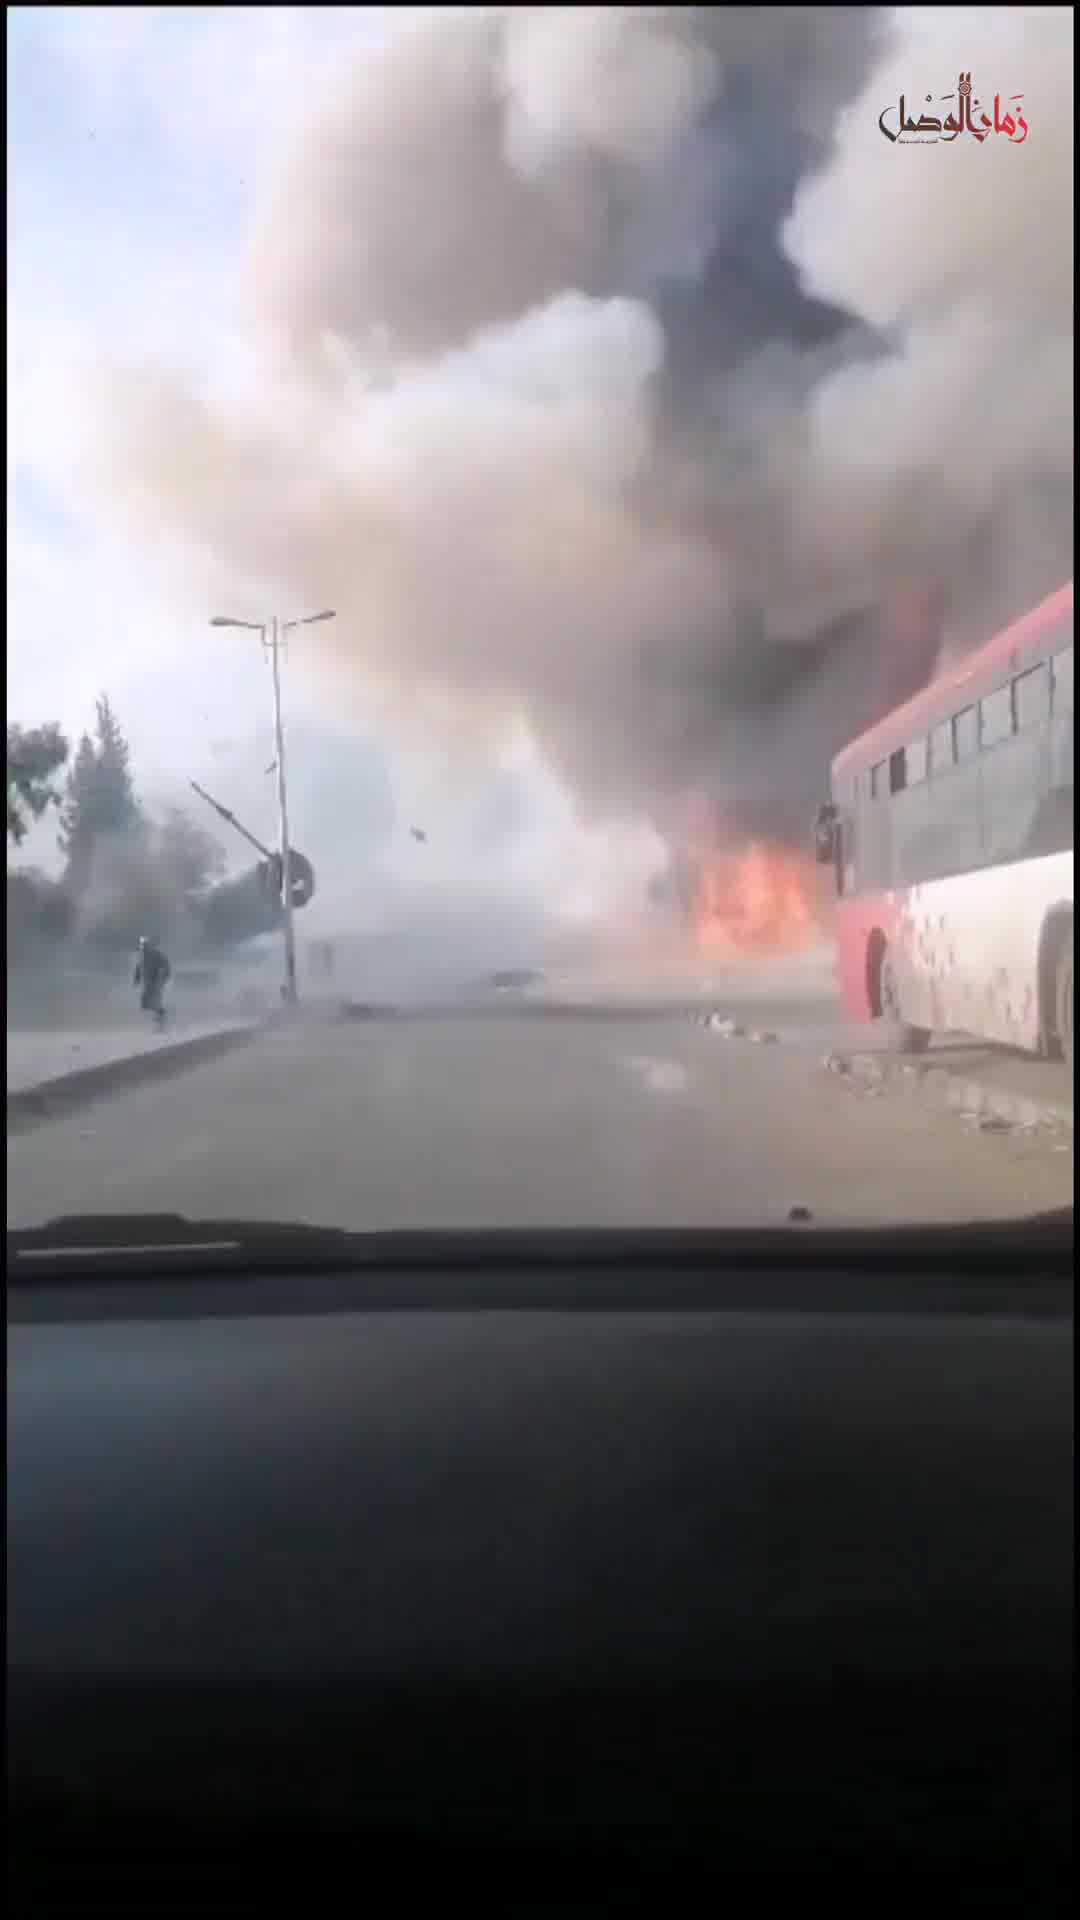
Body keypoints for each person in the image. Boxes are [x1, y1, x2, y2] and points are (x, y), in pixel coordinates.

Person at [134, 935, 171, 1031]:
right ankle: (159, 1016)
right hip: (148, 981)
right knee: (145, 1001)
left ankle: (160, 1023)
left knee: (156, 1000)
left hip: (157, 980)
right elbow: (138, 967)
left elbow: (165, 964)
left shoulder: (156, 953)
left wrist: (163, 975)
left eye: (145, 945)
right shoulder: (141, 955)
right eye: (142, 945)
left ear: (149, 945)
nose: (143, 947)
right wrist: (137, 979)